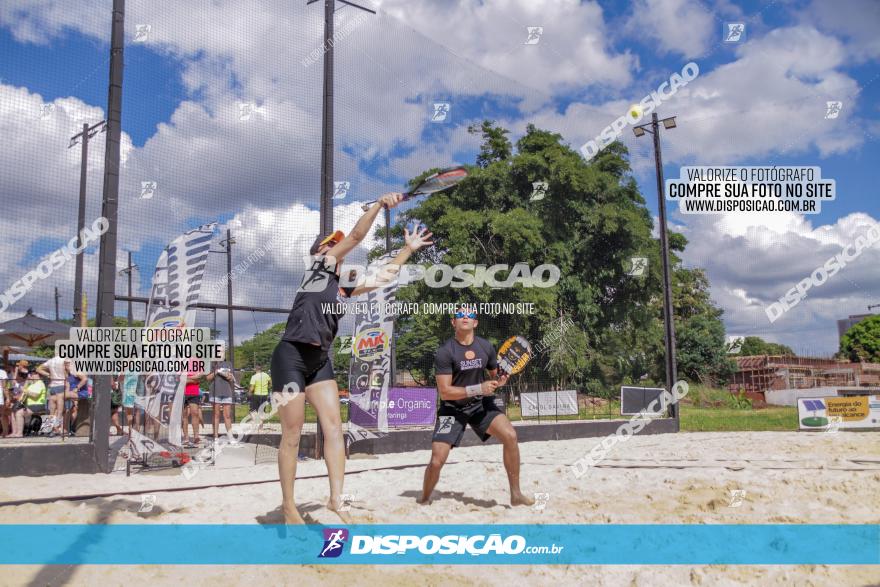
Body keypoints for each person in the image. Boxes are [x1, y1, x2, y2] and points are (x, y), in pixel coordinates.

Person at [271, 191, 432, 524]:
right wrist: (378, 204)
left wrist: (408, 250)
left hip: (318, 360)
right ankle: (289, 506)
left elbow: (383, 278)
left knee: (334, 427)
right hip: (290, 355)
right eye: (333, 243)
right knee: (292, 433)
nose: (338, 247)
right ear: (321, 251)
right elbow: (358, 235)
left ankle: (335, 499)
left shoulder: (340, 285)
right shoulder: (318, 268)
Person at [418, 305, 534, 507]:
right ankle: (424, 498)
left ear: (475, 322)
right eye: (460, 315)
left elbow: (494, 376)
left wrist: (500, 380)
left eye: (469, 314)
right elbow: (445, 391)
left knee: (510, 436)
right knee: (437, 460)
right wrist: (478, 388)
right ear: (453, 322)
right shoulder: (445, 352)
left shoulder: (485, 347)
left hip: (480, 405)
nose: (465, 316)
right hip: (452, 410)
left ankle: (516, 495)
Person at [205, 346, 236, 439]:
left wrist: (229, 376)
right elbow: (207, 378)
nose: (221, 353)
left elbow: (232, 378)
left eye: (223, 351)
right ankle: (215, 437)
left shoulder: (229, 363)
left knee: (227, 415)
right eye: (219, 352)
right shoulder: (211, 363)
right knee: (216, 415)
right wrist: (217, 371)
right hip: (215, 392)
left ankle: (230, 437)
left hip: (227, 392)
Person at [36, 355, 67, 436]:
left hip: (52, 385)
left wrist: (48, 375)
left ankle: (47, 429)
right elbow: (66, 373)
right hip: (61, 384)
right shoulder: (65, 360)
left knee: (51, 410)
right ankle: (56, 429)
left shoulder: (51, 360)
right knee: (59, 410)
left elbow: (38, 369)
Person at [182, 364, 203, 447]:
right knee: (184, 416)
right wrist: (193, 379)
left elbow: (200, 376)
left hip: (194, 391)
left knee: (195, 413)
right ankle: (186, 438)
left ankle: (196, 437)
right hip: (182, 392)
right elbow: (180, 378)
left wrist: (187, 379)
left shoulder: (196, 361)